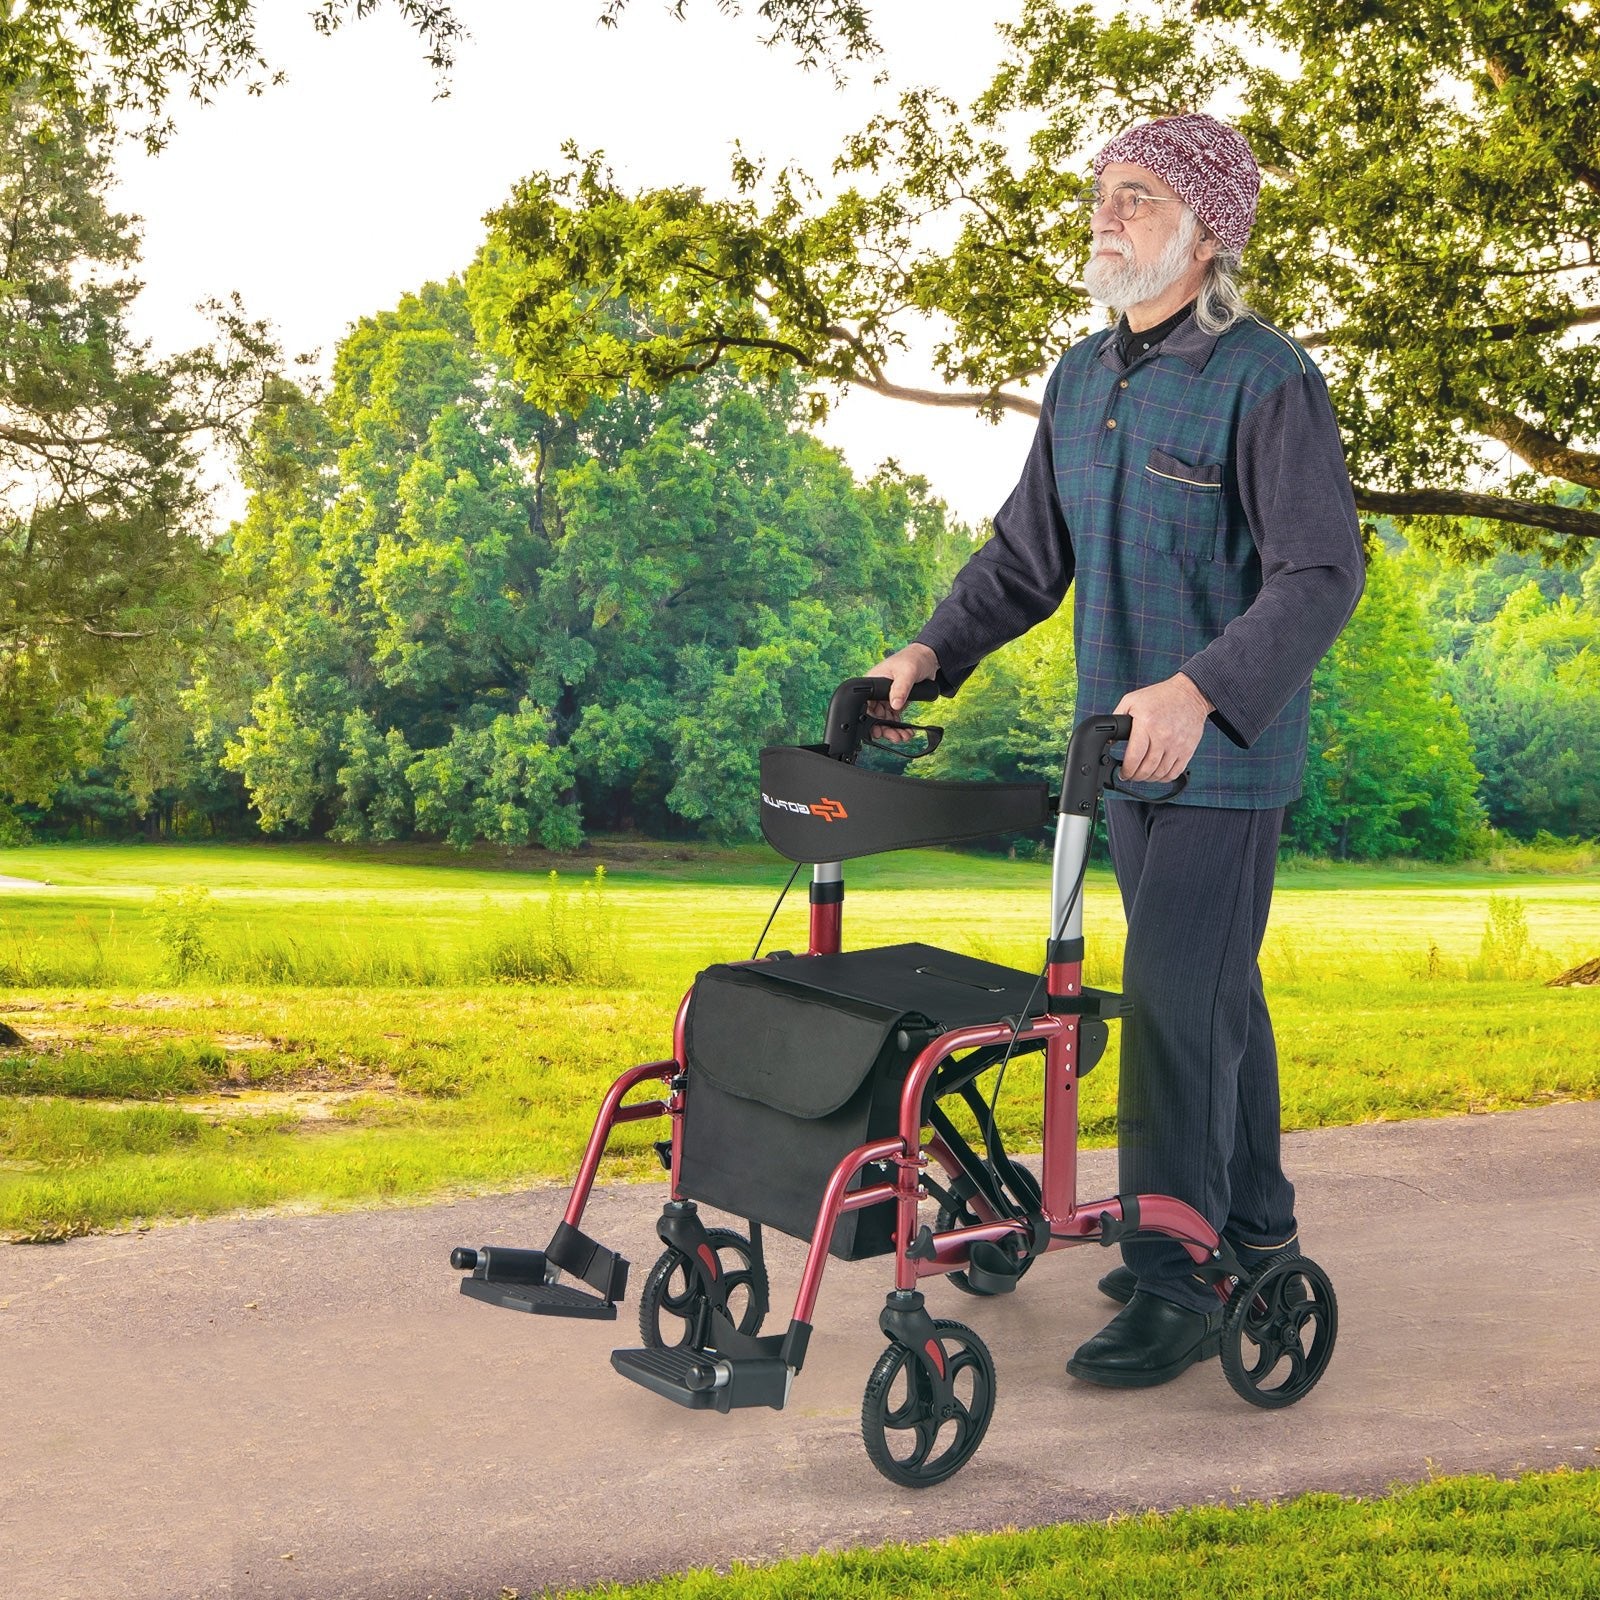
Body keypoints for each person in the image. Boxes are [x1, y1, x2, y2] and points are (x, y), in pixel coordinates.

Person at [867, 112, 1365, 1388]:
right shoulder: (1083, 378)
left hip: (1223, 760)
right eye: (1102, 195)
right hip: (1113, 760)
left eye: (1136, 198)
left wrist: (1200, 690)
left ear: (1204, 233)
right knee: (1211, 1001)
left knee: (1177, 1013)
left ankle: (1177, 1279)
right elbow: (1027, 558)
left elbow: (1319, 575)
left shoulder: (1269, 381)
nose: (1106, 216)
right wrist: (927, 652)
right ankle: (1249, 1223)